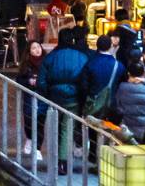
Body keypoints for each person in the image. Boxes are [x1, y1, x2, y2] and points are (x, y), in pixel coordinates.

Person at [31, 32, 90, 165]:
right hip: (74, 98)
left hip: (54, 98)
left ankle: (57, 158)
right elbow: (86, 81)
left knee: (56, 127)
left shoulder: (51, 57)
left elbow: (41, 81)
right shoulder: (81, 57)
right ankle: (63, 161)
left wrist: (47, 94)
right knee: (67, 128)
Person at [81, 35, 124, 117]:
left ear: (97, 45)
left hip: (93, 105)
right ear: (111, 46)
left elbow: (84, 86)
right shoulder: (119, 65)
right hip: (111, 106)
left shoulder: (90, 63)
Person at [114, 62, 145, 139]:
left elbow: (119, 108)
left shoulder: (122, 88)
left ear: (128, 74)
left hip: (127, 132)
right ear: (144, 73)